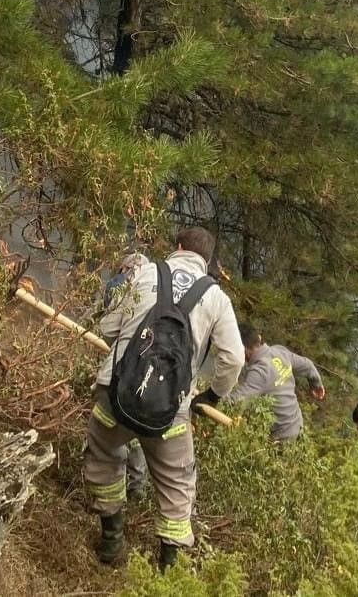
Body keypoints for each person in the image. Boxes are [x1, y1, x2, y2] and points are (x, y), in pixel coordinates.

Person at [84, 227, 244, 571]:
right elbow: (233, 358)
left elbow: (109, 328)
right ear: (206, 260)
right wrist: (212, 396)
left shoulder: (145, 272)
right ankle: (167, 570)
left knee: (105, 457)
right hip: (170, 414)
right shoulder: (216, 298)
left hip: (116, 395)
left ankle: (112, 541)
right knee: (176, 486)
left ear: (178, 246)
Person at [101, 251, 149, 499]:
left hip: (120, 367)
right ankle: (137, 485)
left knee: (111, 430)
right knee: (137, 430)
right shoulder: (159, 287)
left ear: (125, 268)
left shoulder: (119, 283)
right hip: (149, 375)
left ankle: (115, 490)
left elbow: (108, 327)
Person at [227, 322, 325, 442]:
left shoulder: (259, 371)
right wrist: (316, 385)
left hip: (281, 438)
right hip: (298, 424)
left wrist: (210, 399)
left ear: (242, 349)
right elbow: (308, 365)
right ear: (259, 338)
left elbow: (236, 400)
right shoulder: (279, 351)